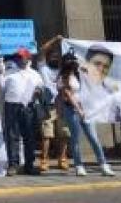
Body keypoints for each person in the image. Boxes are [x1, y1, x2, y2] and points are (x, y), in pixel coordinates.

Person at [58, 52, 115, 177]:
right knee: (75, 138)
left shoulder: (79, 74)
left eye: (73, 61)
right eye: (70, 61)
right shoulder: (62, 77)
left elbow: (93, 75)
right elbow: (68, 95)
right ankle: (79, 166)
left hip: (86, 109)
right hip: (72, 110)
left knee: (93, 137)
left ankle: (103, 165)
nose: (72, 63)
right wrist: (79, 110)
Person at [0, 48, 44, 175]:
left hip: (29, 107)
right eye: (18, 57)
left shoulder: (35, 74)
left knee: (29, 137)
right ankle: (13, 164)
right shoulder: (8, 73)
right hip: (12, 106)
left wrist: (39, 91)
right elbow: (2, 89)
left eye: (22, 57)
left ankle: (29, 165)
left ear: (28, 59)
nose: (20, 59)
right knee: (12, 136)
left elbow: (41, 86)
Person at [36, 35, 69, 171]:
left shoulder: (63, 70)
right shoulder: (43, 68)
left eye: (57, 56)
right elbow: (42, 49)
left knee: (64, 134)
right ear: (48, 58)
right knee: (46, 135)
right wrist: (55, 39)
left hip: (62, 106)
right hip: (48, 107)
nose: (55, 58)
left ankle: (62, 159)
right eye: (52, 56)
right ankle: (44, 160)